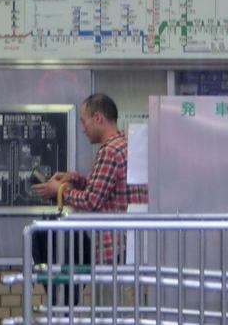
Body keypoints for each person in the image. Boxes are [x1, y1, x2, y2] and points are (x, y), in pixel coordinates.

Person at [33, 93, 147, 262]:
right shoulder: (125, 145)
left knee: (116, 289)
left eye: (83, 121)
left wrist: (59, 190)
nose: (83, 128)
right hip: (132, 246)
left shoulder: (109, 152)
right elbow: (108, 190)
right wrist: (76, 179)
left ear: (98, 118)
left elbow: (91, 201)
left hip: (115, 250)